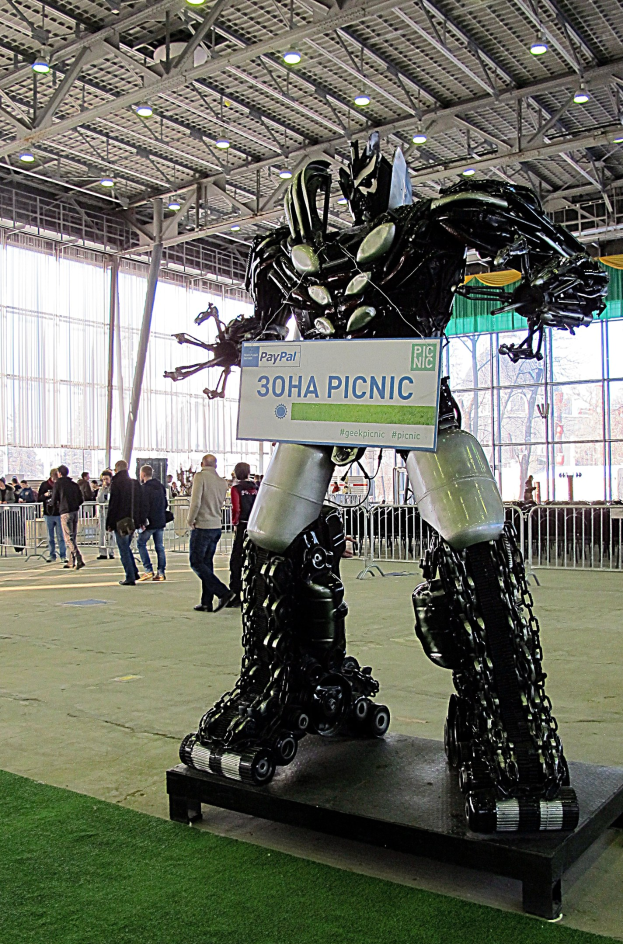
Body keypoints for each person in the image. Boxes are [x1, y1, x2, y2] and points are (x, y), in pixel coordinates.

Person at [187, 453, 233, 612]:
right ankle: (206, 602)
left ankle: (223, 592)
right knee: (207, 563)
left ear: (202, 464)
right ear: (216, 465)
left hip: (202, 525)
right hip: (216, 525)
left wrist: (190, 519)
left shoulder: (200, 477)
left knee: (196, 562)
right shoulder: (222, 482)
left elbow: (196, 502)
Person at [106, 459, 144, 586]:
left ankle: (130, 576)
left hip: (119, 521)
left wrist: (109, 523)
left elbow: (113, 505)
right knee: (127, 547)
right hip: (132, 520)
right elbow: (139, 503)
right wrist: (140, 520)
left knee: (123, 549)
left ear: (116, 469)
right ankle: (134, 572)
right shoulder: (134, 483)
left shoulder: (116, 483)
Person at [228, 462, 258, 608]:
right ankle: (254, 594)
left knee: (236, 561)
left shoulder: (236, 489)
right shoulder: (256, 487)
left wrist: (235, 523)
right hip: (254, 526)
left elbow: (236, 508)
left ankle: (234, 594)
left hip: (242, 526)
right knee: (254, 560)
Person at [137, 465, 168, 582]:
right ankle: (161, 572)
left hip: (150, 522)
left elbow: (144, 506)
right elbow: (165, 503)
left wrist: (142, 521)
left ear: (143, 474)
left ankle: (148, 569)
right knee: (159, 546)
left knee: (141, 543)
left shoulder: (144, 488)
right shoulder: (160, 487)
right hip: (160, 520)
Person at [51, 465, 85, 569]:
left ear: (59, 474)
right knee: (73, 536)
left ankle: (78, 557)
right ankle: (72, 561)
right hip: (74, 511)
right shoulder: (74, 484)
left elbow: (54, 499)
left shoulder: (58, 484)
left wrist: (52, 504)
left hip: (65, 512)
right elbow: (81, 499)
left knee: (67, 538)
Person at [38, 469, 67, 563]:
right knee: (50, 537)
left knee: (60, 536)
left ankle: (63, 555)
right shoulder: (44, 485)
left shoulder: (60, 485)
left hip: (59, 513)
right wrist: (45, 495)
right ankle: (51, 555)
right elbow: (39, 498)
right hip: (48, 513)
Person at [96, 470, 115, 560]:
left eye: (106, 479)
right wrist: (103, 489)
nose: (105, 481)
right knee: (102, 533)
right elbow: (99, 500)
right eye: (103, 479)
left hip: (111, 513)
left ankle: (111, 551)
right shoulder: (100, 489)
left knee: (111, 533)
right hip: (103, 513)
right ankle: (102, 552)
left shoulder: (114, 488)